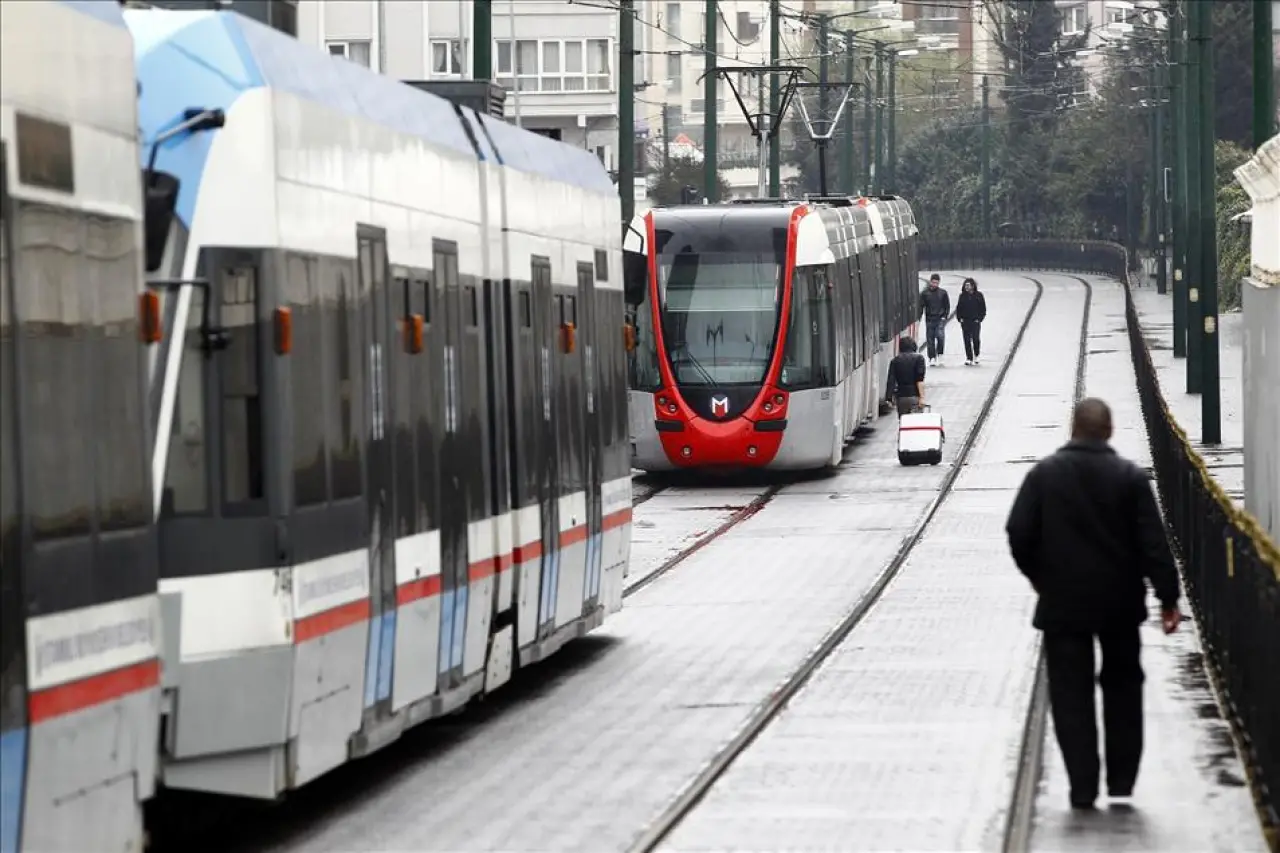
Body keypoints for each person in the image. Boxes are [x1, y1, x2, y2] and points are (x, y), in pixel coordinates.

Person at [1005, 398, 1182, 811]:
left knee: (1071, 694)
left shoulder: (1044, 476)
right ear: (1109, 431)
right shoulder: (1130, 478)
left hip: (1062, 604)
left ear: (1073, 429)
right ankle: (1121, 779)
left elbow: (1018, 532)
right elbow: (1154, 545)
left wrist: (1039, 577)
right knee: (1123, 687)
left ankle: (1082, 786)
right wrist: (1168, 598)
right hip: (1120, 604)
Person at [884, 336, 926, 415]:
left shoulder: (895, 360)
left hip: (901, 398)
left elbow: (891, 381)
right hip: (915, 396)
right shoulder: (919, 358)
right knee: (915, 423)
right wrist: (922, 397)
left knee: (903, 422)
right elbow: (920, 380)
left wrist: (888, 398)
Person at [918, 273, 950, 366]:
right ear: (931, 282)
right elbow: (921, 306)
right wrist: (919, 318)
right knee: (930, 339)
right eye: (933, 282)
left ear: (939, 283)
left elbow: (946, 305)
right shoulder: (925, 293)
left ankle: (940, 354)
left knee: (940, 337)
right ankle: (931, 357)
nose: (935, 284)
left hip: (940, 318)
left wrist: (945, 316)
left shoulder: (943, 293)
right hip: (929, 318)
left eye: (936, 283)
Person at [955, 277, 987, 365]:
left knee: (976, 339)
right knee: (967, 340)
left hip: (975, 321)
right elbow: (958, 308)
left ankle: (976, 354)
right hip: (965, 321)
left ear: (973, 286)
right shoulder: (962, 296)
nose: (967, 287)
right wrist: (959, 318)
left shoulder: (979, 295)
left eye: (968, 285)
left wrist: (980, 319)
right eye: (965, 285)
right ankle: (969, 357)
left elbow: (983, 308)